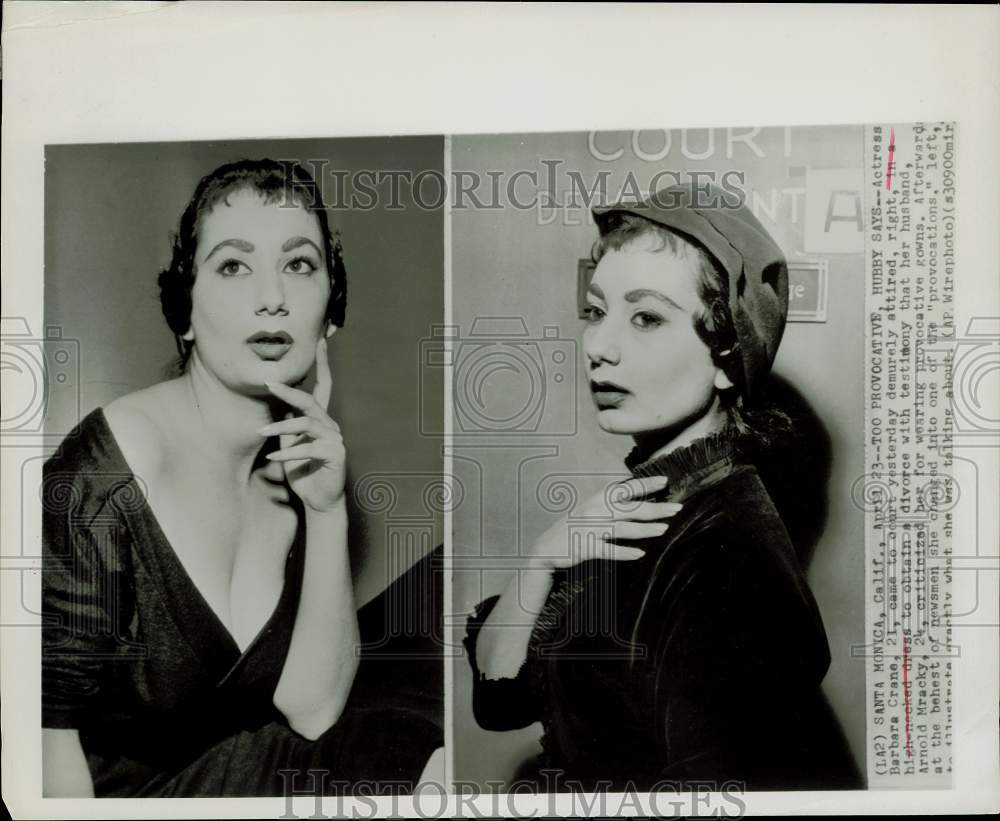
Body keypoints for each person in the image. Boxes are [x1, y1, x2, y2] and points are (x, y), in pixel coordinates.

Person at [41, 159, 441, 797]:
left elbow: (312, 709)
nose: (272, 296)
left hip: (231, 781)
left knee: (423, 754)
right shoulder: (112, 468)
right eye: (233, 265)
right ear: (186, 313)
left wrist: (327, 509)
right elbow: (46, 748)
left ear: (329, 314)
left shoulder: (295, 469)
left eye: (298, 264)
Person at [464, 182, 862, 792]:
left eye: (646, 317)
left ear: (727, 356)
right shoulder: (654, 504)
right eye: (597, 312)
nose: (597, 345)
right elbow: (499, 702)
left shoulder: (732, 563)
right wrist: (542, 558)